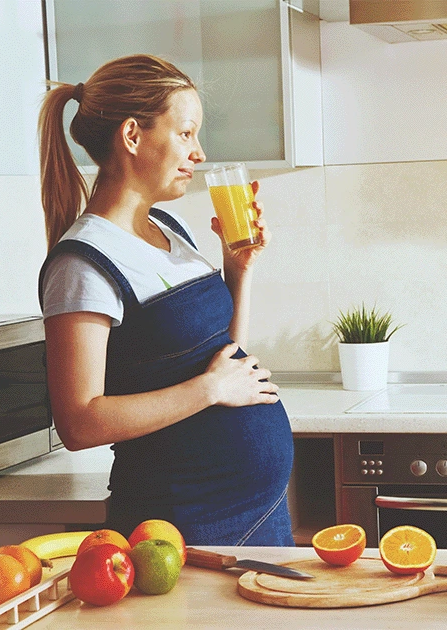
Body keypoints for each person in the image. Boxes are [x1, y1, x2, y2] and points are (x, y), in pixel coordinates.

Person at [35, 54, 293, 546]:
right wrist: (210, 391)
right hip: (178, 525)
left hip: (257, 513)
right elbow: (79, 421)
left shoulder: (168, 229)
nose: (199, 153)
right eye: (186, 133)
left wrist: (239, 269)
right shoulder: (82, 264)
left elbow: (221, 356)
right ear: (132, 136)